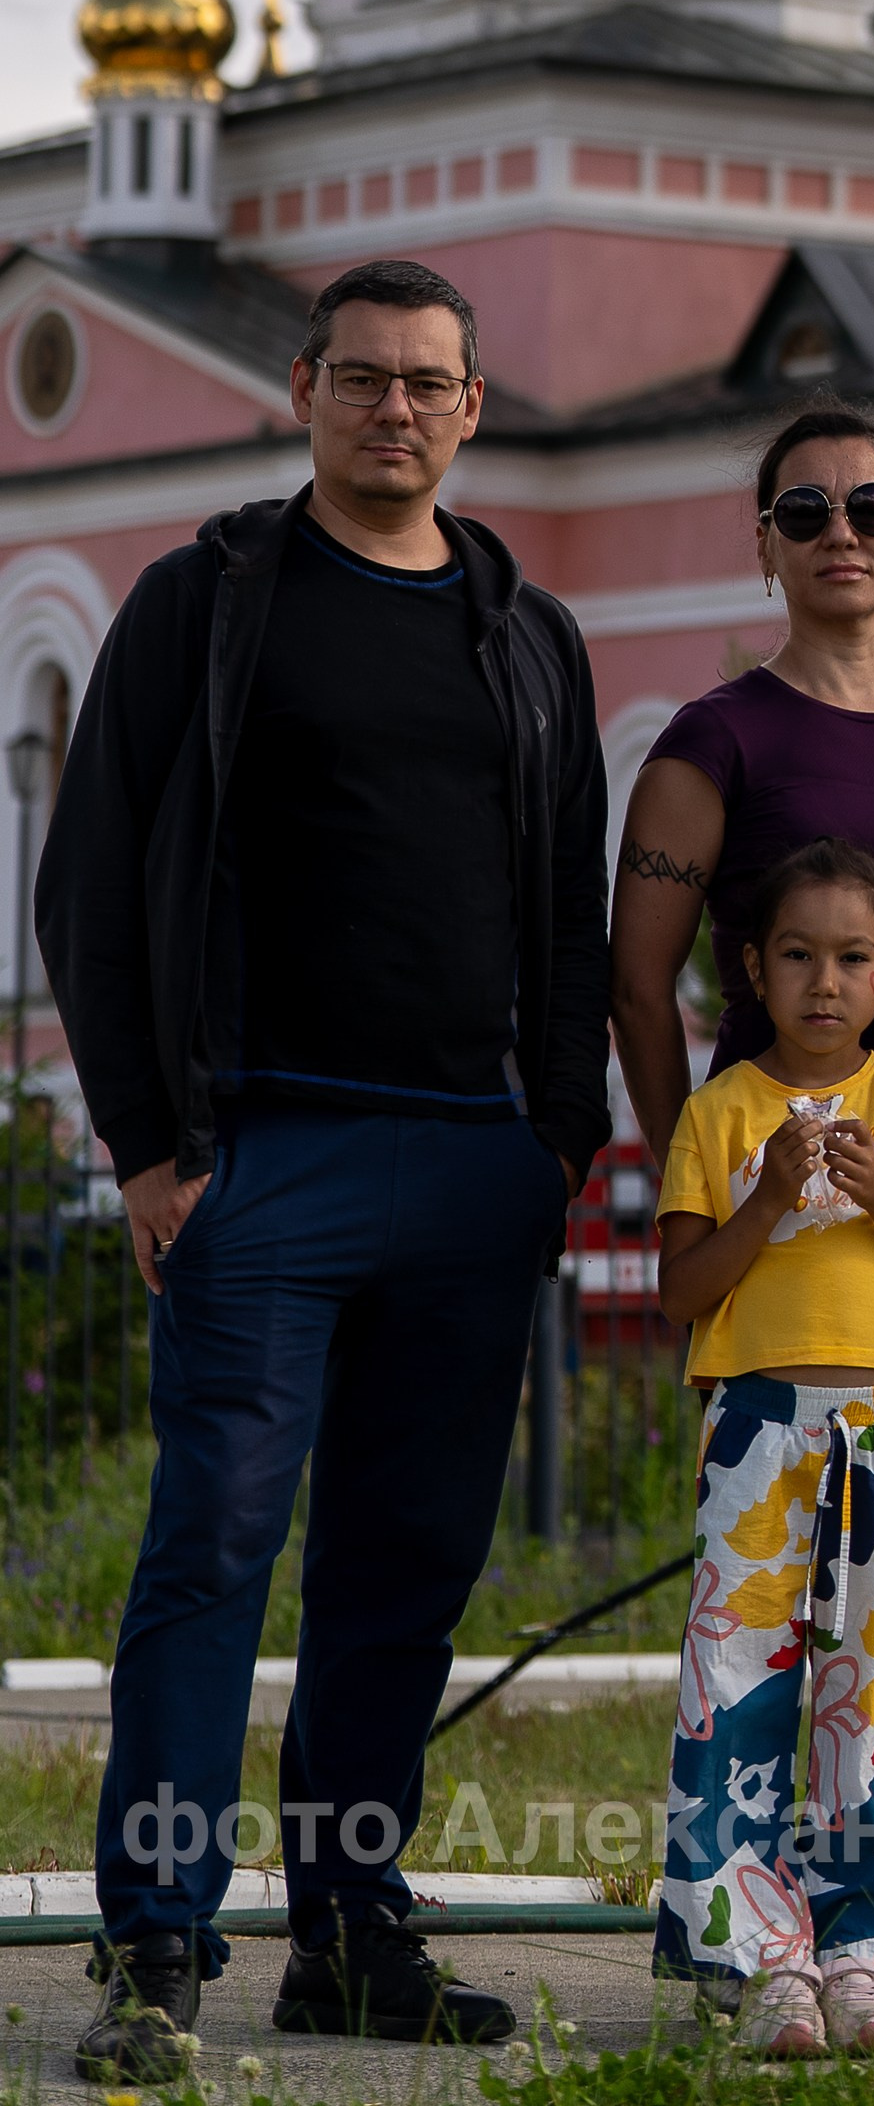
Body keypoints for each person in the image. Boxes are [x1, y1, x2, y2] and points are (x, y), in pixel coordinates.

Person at [35, 258, 610, 2086]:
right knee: (210, 1547)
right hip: (257, 1154)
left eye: (426, 384)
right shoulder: (209, 602)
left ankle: (349, 1937)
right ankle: (155, 1949)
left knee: (405, 1569)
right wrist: (142, 1142)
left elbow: (571, 915)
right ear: (304, 390)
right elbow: (90, 881)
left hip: (468, 1164)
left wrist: (556, 1146)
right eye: (361, 381)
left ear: (472, 403)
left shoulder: (527, 631)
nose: (394, 412)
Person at [611, 403, 874, 1588]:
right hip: (774, 1179)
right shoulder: (715, 740)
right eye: (804, 510)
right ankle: (757, 1780)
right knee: (774, 1564)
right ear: (766, 545)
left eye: (870, 506)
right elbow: (638, 987)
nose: (839, 529)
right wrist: (698, 1171)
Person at [650, 838, 874, 2058]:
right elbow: (680, 1287)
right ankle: (759, 1961)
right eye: (796, 955)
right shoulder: (722, 1108)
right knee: (738, 1686)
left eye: (851, 958)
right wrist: (765, 1198)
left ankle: (859, 1950)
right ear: (754, 967)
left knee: (873, 1693)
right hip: (756, 1424)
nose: (823, 982)